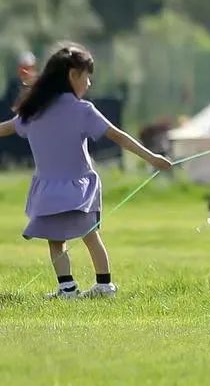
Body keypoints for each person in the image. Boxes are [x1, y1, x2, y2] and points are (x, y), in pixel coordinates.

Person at [0, 44, 172, 299]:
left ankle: (67, 287)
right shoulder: (82, 111)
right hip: (78, 188)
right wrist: (152, 158)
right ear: (72, 75)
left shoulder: (34, 110)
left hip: (48, 189)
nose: (89, 83)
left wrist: (152, 158)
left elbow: (5, 128)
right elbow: (119, 137)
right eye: (87, 76)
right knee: (91, 236)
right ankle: (104, 285)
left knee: (55, 240)